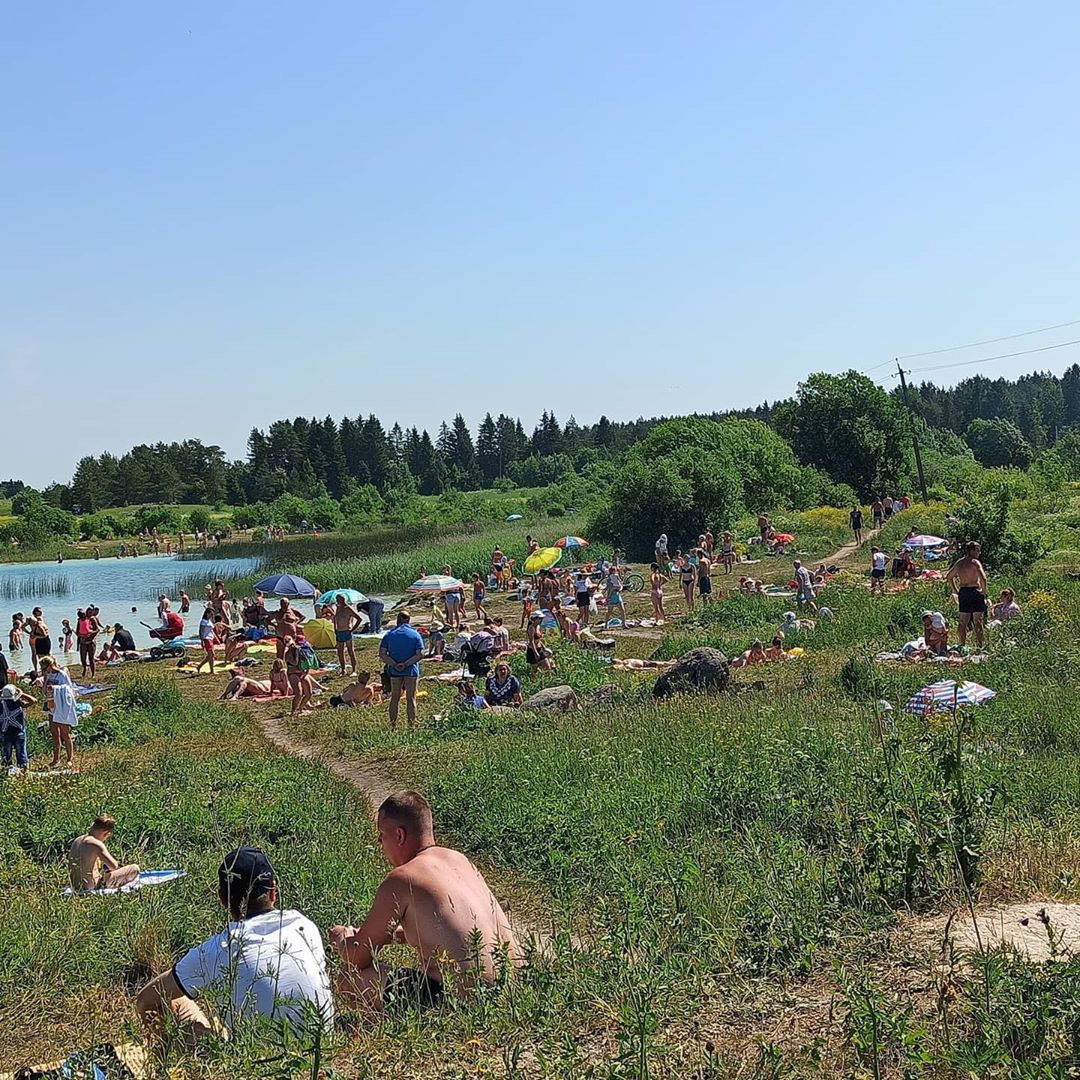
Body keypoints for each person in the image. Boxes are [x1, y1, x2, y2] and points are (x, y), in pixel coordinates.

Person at [330, 791, 522, 1015]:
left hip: (463, 1006)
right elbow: (449, 927)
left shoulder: (403, 879)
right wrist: (390, 935)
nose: (379, 843)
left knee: (349, 979)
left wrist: (342, 939)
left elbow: (358, 956)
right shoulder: (459, 859)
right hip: (513, 991)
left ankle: (388, 1028)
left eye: (381, 835)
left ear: (399, 835)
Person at [137, 847, 334, 1042]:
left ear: (222, 899)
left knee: (167, 999)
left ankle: (170, 1057)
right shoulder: (305, 927)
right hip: (321, 1051)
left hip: (250, 1057)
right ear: (273, 891)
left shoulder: (218, 949)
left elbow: (146, 998)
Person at [68, 814, 140, 891]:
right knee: (134, 868)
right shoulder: (96, 844)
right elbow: (114, 866)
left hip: (75, 886)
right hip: (92, 886)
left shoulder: (77, 840)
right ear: (105, 833)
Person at [379, 612, 424, 730]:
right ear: (408, 620)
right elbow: (420, 654)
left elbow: (382, 653)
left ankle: (393, 725)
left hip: (395, 670)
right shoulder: (415, 634)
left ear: (397, 620)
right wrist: (406, 664)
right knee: (411, 698)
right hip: (411, 670)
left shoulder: (389, 635)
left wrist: (394, 664)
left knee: (395, 698)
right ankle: (411, 725)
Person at [945, 541, 989, 648]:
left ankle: (962, 645)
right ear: (972, 550)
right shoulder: (975, 562)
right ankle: (980, 646)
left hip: (964, 592)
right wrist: (983, 591)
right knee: (978, 620)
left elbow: (949, 576)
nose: (979, 552)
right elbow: (983, 578)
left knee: (963, 621)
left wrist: (955, 590)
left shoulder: (960, 563)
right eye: (977, 550)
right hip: (975, 590)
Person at [0, 683, 35, 770]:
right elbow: (33, 700)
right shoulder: (19, 703)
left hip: (5, 732)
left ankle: (6, 771)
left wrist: (1, 692)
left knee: (6, 756)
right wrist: (21, 693)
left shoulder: (1, 704)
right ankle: (24, 772)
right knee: (21, 754)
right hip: (19, 732)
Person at [332, 593, 364, 677]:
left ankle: (354, 670)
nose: (337, 601)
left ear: (343, 600)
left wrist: (352, 629)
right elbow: (336, 619)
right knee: (340, 652)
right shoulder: (338, 608)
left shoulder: (348, 608)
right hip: (339, 632)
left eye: (338, 600)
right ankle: (343, 669)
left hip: (347, 631)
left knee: (350, 651)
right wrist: (335, 628)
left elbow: (359, 619)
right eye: (337, 600)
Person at [195, 608, 217, 674]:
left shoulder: (209, 621)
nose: (212, 615)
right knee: (211, 654)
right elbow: (201, 631)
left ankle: (199, 666)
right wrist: (202, 641)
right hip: (206, 638)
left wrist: (216, 638)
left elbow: (212, 630)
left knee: (210, 655)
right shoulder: (203, 621)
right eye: (211, 614)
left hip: (211, 638)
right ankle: (212, 671)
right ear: (207, 613)